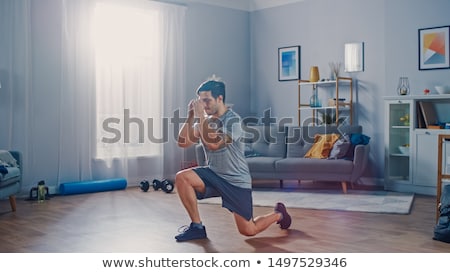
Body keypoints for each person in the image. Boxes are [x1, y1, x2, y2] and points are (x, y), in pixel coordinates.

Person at [174, 76, 291, 242]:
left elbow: (214, 144)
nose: (203, 105)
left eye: (207, 100)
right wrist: (191, 116)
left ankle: (279, 214)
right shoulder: (204, 121)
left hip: (235, 181)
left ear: (219, 98)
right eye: (201, 101)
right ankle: (197, 227)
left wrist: (200, 118)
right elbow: (182, 142)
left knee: (249, 230)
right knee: (182, 177)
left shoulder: (233, 121)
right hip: (214, 174)